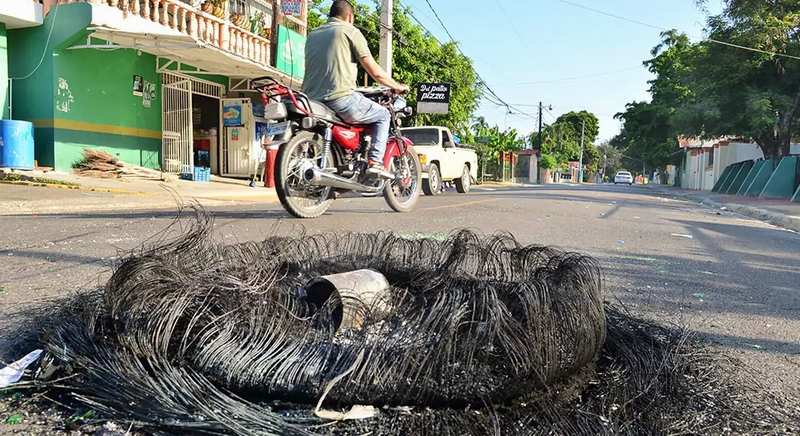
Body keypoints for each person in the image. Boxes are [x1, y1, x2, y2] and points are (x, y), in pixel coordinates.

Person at [303, 0, 410, 175]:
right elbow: (374, 71)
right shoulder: (350, 31)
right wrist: (396, 86)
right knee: (383, 115)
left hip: (311, 101)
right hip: (340, 98)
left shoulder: (313, 34)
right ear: (350, 16)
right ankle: (375, 162)